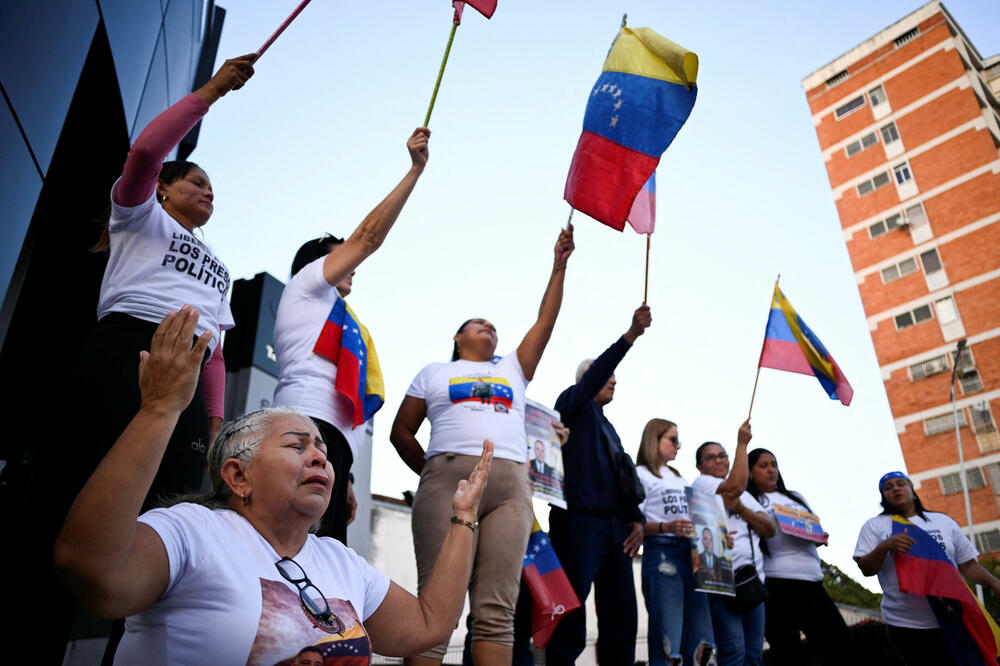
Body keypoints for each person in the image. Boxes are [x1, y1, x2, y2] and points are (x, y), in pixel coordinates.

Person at [54, 308, 494, 664]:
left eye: (321, 447)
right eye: (296, 445)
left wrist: (463, 518)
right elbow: (91, 568)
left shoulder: (341, 561)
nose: (320, 456)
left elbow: (430, 625)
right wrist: (159, 410)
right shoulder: (192, 532)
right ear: (238, 476)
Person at [390, 225, 575, 666]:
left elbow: (544, 322)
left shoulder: (513, 369)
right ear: (457, 338)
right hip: (447, 485)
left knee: (497, 610)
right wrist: (437, 473)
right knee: (435, 607)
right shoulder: (433, 371)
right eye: (477, 323)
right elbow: (402, 432)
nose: (488, 327)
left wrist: (559, 266)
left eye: (493, 325)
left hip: (511, 490)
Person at [271, 126, 431, 544]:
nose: (352, 264)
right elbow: (369, 238)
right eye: (339, 254)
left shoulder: (341, 316)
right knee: (297, 558)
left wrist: (348, 476)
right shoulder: (308, 285)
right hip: (306, 428)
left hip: (333, 444)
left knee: (321, 565)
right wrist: (414, 171)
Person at [543, 304, 652, 666]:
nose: (614, 380)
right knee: (571, 610)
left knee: (622, 617)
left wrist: (635, 518)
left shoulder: (611, 429)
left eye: (615, 377)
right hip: (578, 521)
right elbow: (594, 377)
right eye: (607, 374)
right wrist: (630, 337)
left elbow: (622, 479)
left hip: (616, 529)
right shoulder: (571, 404)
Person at [854, 471, 1000, 666]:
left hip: (952, 615)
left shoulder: (943, 521)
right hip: (905, 623)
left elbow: (967, 565)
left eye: (900, 483)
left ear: (912, 490)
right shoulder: (874, 526)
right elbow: (866, 568)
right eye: (888, 488)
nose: (895, 488)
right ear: (883, 497)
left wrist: (994, 582)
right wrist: (885, 546)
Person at [746, 448, 852, 665]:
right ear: (750, 473)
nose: (771, 470)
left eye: (774, 464)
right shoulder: (750, 500)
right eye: (763, 465)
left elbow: (812, 527)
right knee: (787, 650)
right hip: (777, 584)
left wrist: (818, 535)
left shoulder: (795, 497)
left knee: (841, 644)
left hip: (812, 581)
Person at [691, 424, 774, 666]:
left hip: (753, 580)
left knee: (754, 655)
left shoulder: (746, 496)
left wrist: (742, 509)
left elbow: (769, 529)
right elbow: (735, 487)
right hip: (720, 581)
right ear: (700, 466)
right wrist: (742, 444)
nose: (719, 460)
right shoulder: (702, 483)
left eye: (723, 455)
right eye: (711, 457)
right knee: (733, 652)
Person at [636, 418, 715, 666]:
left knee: (702, 644)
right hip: (662, 553)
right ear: (654, 439)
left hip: (692, 557)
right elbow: (632, 522)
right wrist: (664, 527)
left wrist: (717, 537)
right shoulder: (640, 474)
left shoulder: (680, 479)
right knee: (667, 639)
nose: (678, 446)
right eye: (673, 439)